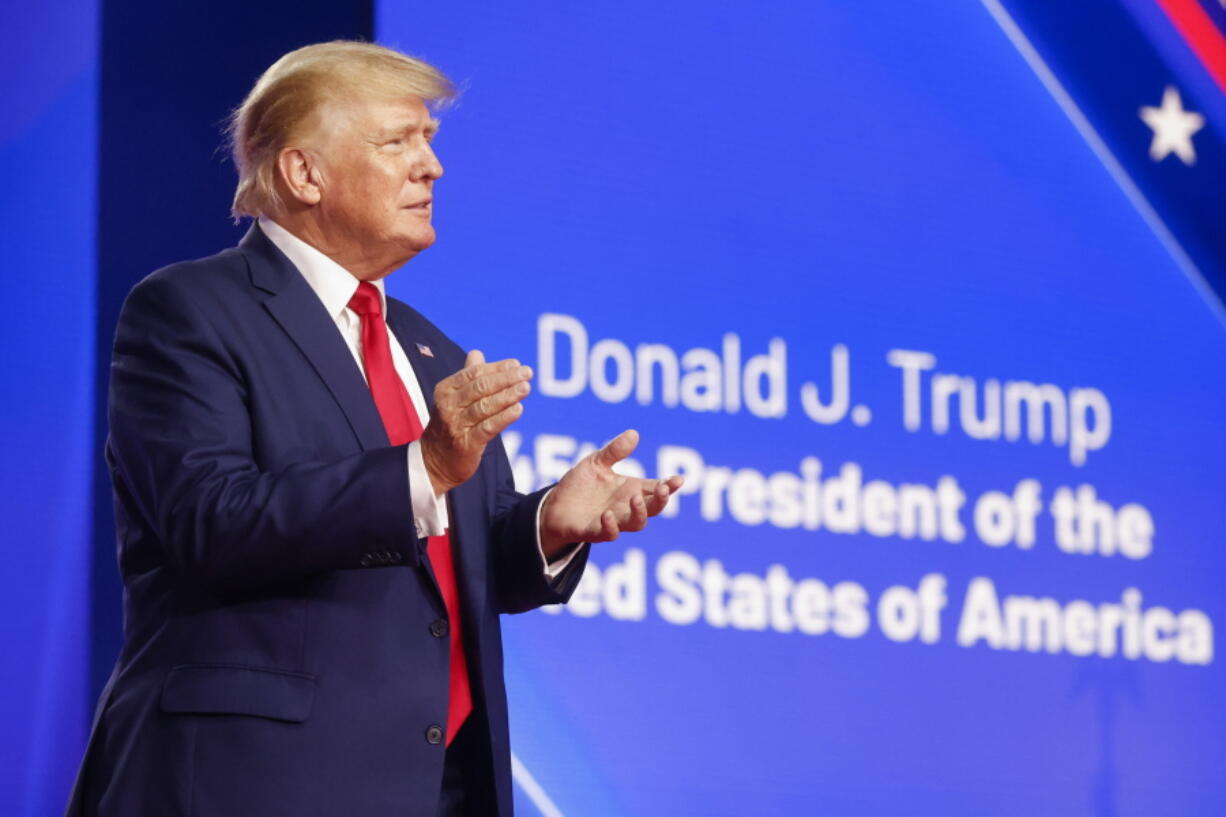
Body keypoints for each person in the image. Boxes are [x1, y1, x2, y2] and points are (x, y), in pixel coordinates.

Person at [65, 41, 681, 817]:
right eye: (400, 141)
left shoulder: (429, 349)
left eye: (429, 141)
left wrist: (544, 529)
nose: (433, 167)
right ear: (303, 173)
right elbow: (210, 520)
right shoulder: (192, 311)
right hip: (253, 782)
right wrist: (422, 465)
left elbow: (440, 568)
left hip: (434, 788)